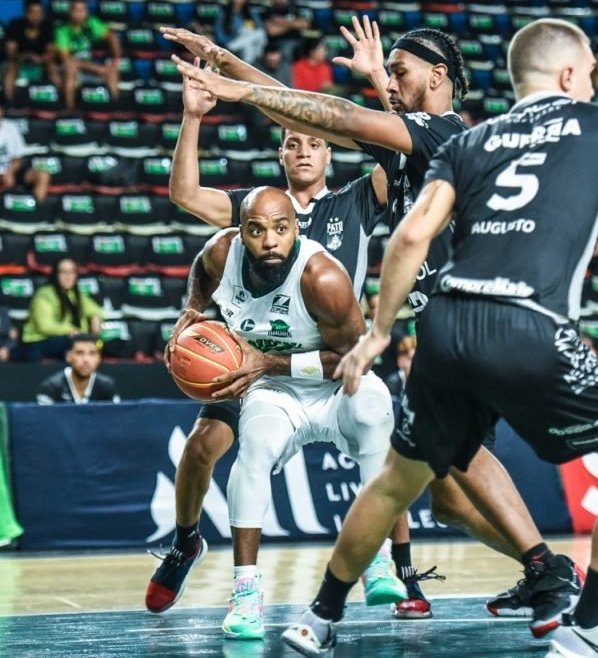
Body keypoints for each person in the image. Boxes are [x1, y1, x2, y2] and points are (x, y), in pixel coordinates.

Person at [280, 18, 598, 658]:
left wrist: (381, 331)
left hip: (444, 327)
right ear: (568, 75)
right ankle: (590, 625)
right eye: (588, 70)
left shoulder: (475, 143)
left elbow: (412, 235)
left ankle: (318, 617)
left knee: (399, 481)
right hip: (527, 321)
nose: (592, 81)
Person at [171, 17, 581, 636]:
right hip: (456, 314)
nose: (389, 81)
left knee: (456, 448)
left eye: (399, 72)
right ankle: (548, 569)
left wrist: (245, 92)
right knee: (444, 495)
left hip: (473, 307)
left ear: (437, 77)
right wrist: (227, 62)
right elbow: (313, 116)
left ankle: (545, 567)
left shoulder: (439, 131)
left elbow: (333, 117)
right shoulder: (415, 142)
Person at [151, 43, 432, 620]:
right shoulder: (256, 209)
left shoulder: (357, 199)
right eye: (293, 141)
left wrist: (382, 80)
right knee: (204, 446)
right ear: (280, 152)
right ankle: (185, 542)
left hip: (330, 359)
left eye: (314, 141)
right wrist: (193, 116)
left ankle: (401, 572)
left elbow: (403, 146)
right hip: (256, 356)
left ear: (330, 153)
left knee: (381, 435)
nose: (304, 149)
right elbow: (184, 199)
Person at [163, 186, 402, 640]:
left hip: (335, 385)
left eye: (280, 228)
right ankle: (246, 594)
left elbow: (358, 358)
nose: (269, 240)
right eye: (256, 230)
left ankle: (378, 556)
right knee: (252, 449)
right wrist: (192, 310)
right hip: (275, 391)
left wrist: (267, 362)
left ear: (295, 229)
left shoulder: (322, 278)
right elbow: (202, 270)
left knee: (374, 410)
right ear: (242, 233)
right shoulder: (222, 252)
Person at [20, 257, 102, 361]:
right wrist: (71, 331)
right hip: (39, 341)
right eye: (63, 272)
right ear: (56, 274)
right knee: (73, 345)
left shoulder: (77, 295)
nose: (68, 276)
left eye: (72, 272)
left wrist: (96, 320)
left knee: (95, 345)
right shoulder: (44, 294)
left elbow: (94, 310)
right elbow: (45, 326)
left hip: (72, 339)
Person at [54, 1, 122, 111]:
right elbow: (66, 59)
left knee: (112, 71)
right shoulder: (62, 30)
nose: (80, 14)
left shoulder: (92, 23)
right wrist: (96, 68)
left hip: (90, 65)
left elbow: (113, 37)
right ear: (70, 12)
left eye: (83, 10)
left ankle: (115, 108)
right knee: (70, 69)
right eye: (77, 10)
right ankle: (70, 109)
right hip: (72, 68)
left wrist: (116, 60)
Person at [36, 334, 120, 404]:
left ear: (99, 358)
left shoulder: (107, 386)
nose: (86, 360)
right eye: (80, 353)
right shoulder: (52, 387)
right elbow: (42, 421)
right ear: (68, 356)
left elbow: (117, 418)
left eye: (92, 354)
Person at [3, 0, 57, 102]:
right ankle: (9, 103)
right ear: (25, 13)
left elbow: (50, 52)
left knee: (52, 67)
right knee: (10, 67)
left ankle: (57, 101)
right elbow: (10, 52)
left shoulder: (47, 26)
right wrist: (24, 56)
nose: (35, 16)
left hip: (40, 63)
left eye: (39, 13)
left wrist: (40, 59)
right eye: (32, 12)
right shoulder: (15, 25)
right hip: (19, 62)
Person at [214, 0, 266, 64]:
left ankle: (236, 47)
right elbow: (219, 31)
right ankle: (255, 58)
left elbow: (259, 27)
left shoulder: (251, 12)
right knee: (249, 42)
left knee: (257, 34)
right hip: (232, 40)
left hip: (248, 39)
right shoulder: (224, 13)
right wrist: (225, 42)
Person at [384, 334, 415, 402]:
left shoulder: (424, 383)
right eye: (410, 359)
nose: (415, 363)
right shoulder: (392, 384)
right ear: (400, 361)